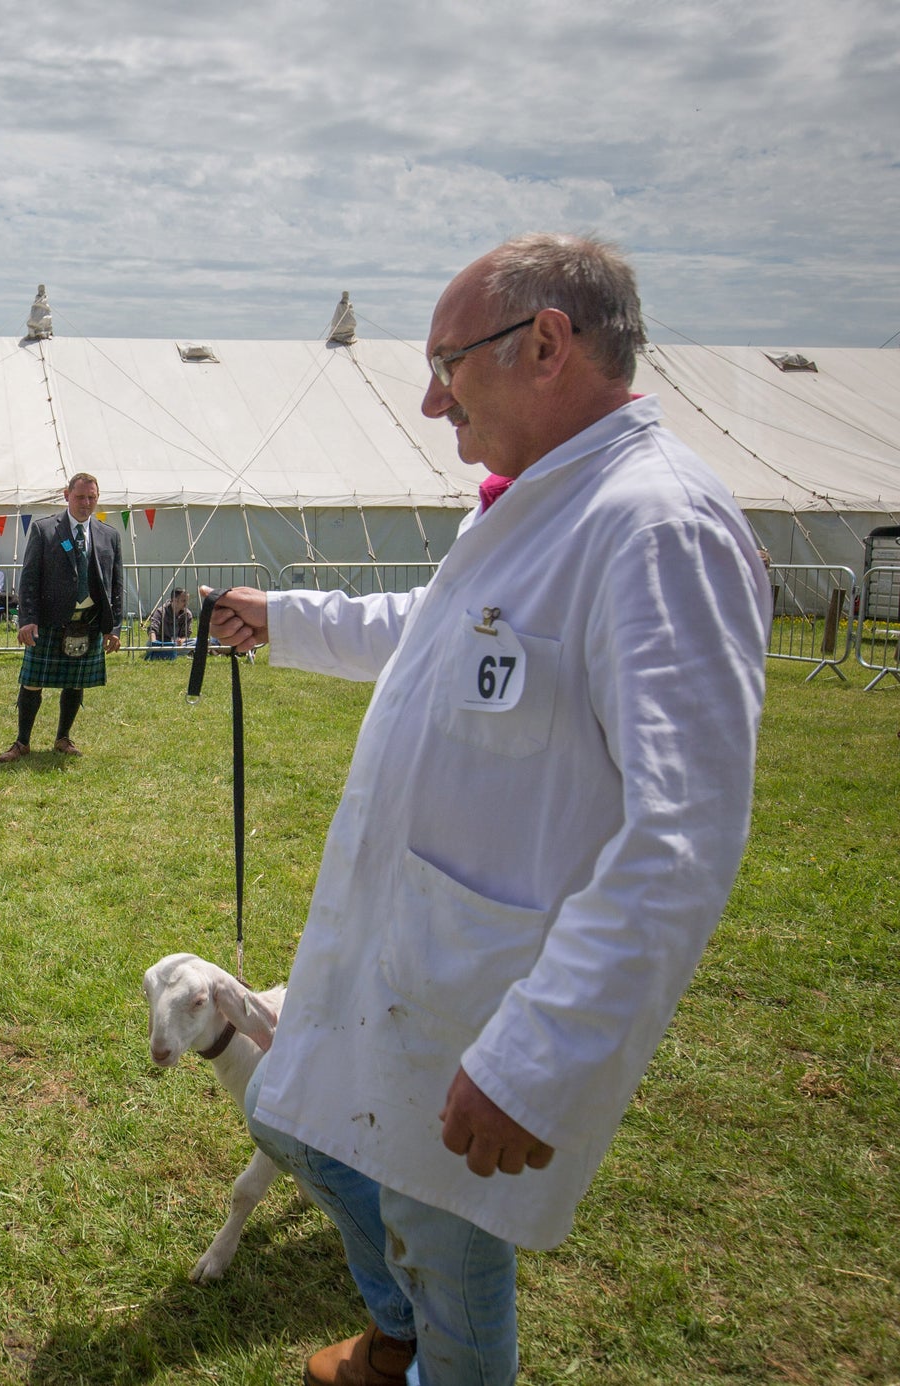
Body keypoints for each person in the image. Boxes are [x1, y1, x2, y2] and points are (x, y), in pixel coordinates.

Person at [203, 234, 768, 1386]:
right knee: (316, 1130)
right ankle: (392, 1336)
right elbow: (441, 625)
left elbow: (682, 835)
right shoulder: (535, 508)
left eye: (444, 364)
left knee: (450, 1255)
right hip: (417, 970)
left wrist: (537, 1055)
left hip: (484, 1004)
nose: (426, 399)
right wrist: (290, 617)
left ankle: (430, 1359)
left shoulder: (653, 529)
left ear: (545, 345)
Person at [0, 474, 123, 760]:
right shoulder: (45, 530)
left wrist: (112, 626)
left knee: (76, 681)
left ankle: (63, 738)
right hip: (50, 621)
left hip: (88, 622)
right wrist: (27, 618)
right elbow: (29, 578)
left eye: (92, 497)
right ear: (67, 495)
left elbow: (115, 584)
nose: (86, 503)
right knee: (32, 681)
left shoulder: (109, 535)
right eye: (80, 497)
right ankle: (22, 742)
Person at [144, 588, 194, 658]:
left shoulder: (187, 614)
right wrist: (154, 643)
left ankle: (163, 652)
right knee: (149, 644)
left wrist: (181, 640)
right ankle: (170, 651)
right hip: (161, 642)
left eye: (187, 601)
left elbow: (186, 634)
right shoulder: (161, 611)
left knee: (197, 642)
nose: (186, 603)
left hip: (176, 644)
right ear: (174, 600)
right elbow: (152, 628)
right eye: (184, 601)